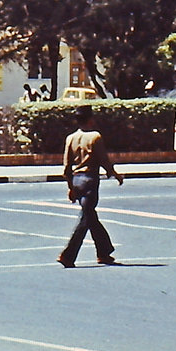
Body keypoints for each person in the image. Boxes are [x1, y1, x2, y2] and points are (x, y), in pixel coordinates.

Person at [58, 105, 124, 267]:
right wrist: (115, 174)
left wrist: (70, 187)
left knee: (90, 216)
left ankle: (104, 251)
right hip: (90, 180)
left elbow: (66, 167)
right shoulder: (95, 137)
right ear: (90, 119)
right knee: (86, 218)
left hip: (77, 180)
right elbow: (103, 160)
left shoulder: (71, 138)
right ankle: (68, 255)